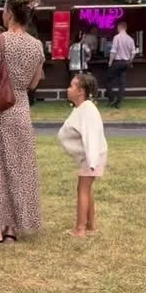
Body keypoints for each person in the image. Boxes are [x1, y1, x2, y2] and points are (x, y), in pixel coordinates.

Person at [0, 0, 45, 244]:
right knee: (17, 168)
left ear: (10, 14)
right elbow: (33, 83)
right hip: (21, 109)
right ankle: (12, 228)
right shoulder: (36, 45)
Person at [58, 71, 107, 238]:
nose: (67, 89)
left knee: (82, 190)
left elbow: (91, 136)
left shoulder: (88, 110)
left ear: (80, 91)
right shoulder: (82, 108)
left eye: (71, 86)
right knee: (86, 189)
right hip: (88, 157)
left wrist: (92, 161)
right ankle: (91, 225)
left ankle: (80, 229)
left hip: (91, 157)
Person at [106, 19, 136, 108]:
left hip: (117, 62)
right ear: (126, 28)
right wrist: (130, 61)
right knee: (122, 83)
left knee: (107, 80)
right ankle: (118, 102)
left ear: (119, 27)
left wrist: (110, 62)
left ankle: (112, 98)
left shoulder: (117, 37)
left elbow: (113, 51)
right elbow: (133, 52)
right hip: (125, 63)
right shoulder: (130, 39)